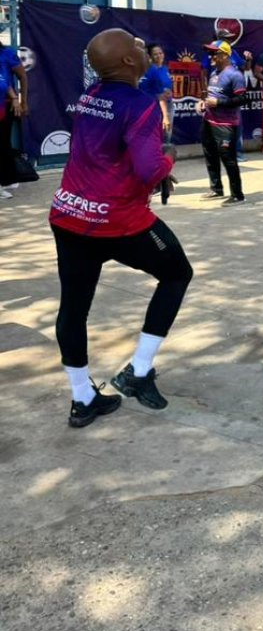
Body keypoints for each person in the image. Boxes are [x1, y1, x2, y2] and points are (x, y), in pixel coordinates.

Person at [48, 29, 193, 426]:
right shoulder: (141, 105)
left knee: (73, 308)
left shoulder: (91, 96)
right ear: (129, 62)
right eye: (135, 44)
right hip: (117, 221)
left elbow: (105, 154)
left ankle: (82, 398)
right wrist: (168, 158)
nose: (142, 47)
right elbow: (148, 169)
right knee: (177, 274)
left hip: (69, 215)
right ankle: (138, 371)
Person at [199, 39, 247, 204]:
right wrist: (204, 103)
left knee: (228, 159)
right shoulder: (214, 73)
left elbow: (242, 99)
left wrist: (219, 103)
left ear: (225, 55)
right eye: (209, 53)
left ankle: (237, 195)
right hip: (209, 121)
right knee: (210, 155)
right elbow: (212, 95)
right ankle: (216, 189)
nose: (210, 56)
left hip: (226, 125)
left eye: (214, 53)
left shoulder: (235, 75)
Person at [0, 40, 28, 196]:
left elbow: (20, 77)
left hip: (5, 105)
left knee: (3, 143)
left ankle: (7, 179)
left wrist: (21, 101)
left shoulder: (7, 54)